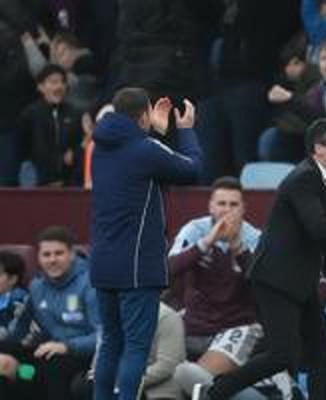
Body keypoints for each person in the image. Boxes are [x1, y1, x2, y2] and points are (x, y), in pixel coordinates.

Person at [195, 118, 326, 400]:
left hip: (299, 282)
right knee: (283, 355)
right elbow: (318, 228)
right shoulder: (303, 178)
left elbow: (325, 236)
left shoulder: (322, 180)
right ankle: (214, 392)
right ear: (319, 148)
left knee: (323, 351)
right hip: (276, 280)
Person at [89, 87, 202, 400]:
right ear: (143, 116)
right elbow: (191, 170)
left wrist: (153, 134)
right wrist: (185, 130)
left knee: (110, 341)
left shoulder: (101, 147)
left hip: (103, 260)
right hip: (137, 264)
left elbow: (147, 167)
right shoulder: (146, 149)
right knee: (137, 346)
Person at [168, 177, 277, 399]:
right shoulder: (195, 230)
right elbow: (169, 269)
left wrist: (237, 246)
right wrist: (206, 242)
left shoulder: (255, 237)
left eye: (233, 204)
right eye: (221, 203)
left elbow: (265, 287)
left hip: (238, 325)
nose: (227, 210)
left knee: (193, 380)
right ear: (210, 206)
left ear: (243, 208)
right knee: (153, 363)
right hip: (194, 319)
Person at [0, 226, 99, 400]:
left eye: (59, 253)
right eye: (46, 254)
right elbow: (17, 331)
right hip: (48, 350)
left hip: (83, 355)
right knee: (5, 360)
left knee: (54, 365)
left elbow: (104, 336)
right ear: (38, 258)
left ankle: (29, 378)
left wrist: (67, 347)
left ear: (72, 254)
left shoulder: (91, 285)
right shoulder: (37, 287)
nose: (52, 260)